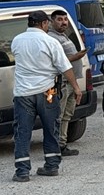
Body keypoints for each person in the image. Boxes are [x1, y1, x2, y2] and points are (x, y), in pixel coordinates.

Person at [10, 10, 81, 182]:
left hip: (23, 94)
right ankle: (51, 165)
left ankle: (22, 171)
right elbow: (65, 67)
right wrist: (76, 88)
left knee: (22, 132)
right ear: (43, 23)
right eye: (47, 23)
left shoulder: (17, 40)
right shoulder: (50, 42)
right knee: (51, 128)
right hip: (48, 92)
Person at [48, 9, 87, 157]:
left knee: (67, 114)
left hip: (71, 82)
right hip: (62, 83)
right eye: (59, 19)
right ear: (52, 21)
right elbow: (56, 62)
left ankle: (62, 144)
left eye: (65, 19)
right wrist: (76, 57)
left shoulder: (63, 35)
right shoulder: (52, 38)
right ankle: (55, 146)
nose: (64, 22)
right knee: (58, 114)